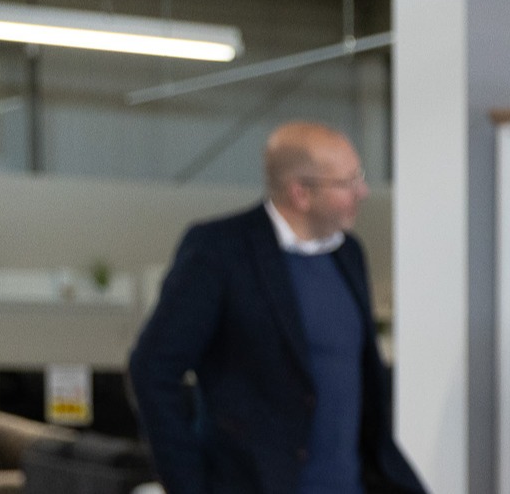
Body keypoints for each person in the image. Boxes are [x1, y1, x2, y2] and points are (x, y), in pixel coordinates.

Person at [129, 122, 426, 494]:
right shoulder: (220, 251)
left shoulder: (349, 254)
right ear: (300, 193)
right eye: (347, 182)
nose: (362, 192)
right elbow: (152, 369)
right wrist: (188, 484)